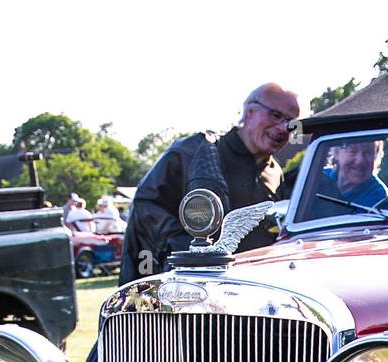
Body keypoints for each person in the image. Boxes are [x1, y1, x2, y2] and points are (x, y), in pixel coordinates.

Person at [119, 82, 300, 284]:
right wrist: (187, 247)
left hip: (252, 293)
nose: (283, 128)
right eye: (276, 116)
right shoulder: (193, 151)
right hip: (188, 289)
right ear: (250, 111)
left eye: (291, 123)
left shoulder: (275, 172)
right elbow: (147, 205)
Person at [325, 139, 388, 209]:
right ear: (336, 153)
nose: (360, 161)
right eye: (353, 151)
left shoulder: (379, 198)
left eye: (367, 153)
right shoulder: (318, 177)